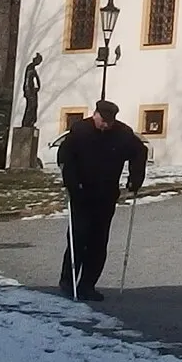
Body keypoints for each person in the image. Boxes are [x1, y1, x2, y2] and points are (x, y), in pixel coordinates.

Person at [56, 99, 147, 301]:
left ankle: (88, 285)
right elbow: (64, 157)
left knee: (98, 242)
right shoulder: (80, 131)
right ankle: (67, 282)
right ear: (95, 114)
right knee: (78, 238)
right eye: (103, 120)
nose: (106, 125)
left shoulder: (122, 133)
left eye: (110, 121)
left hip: (106, 195)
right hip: (81, 193)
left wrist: (135, 178)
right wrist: (71, 183)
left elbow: (140, 151)